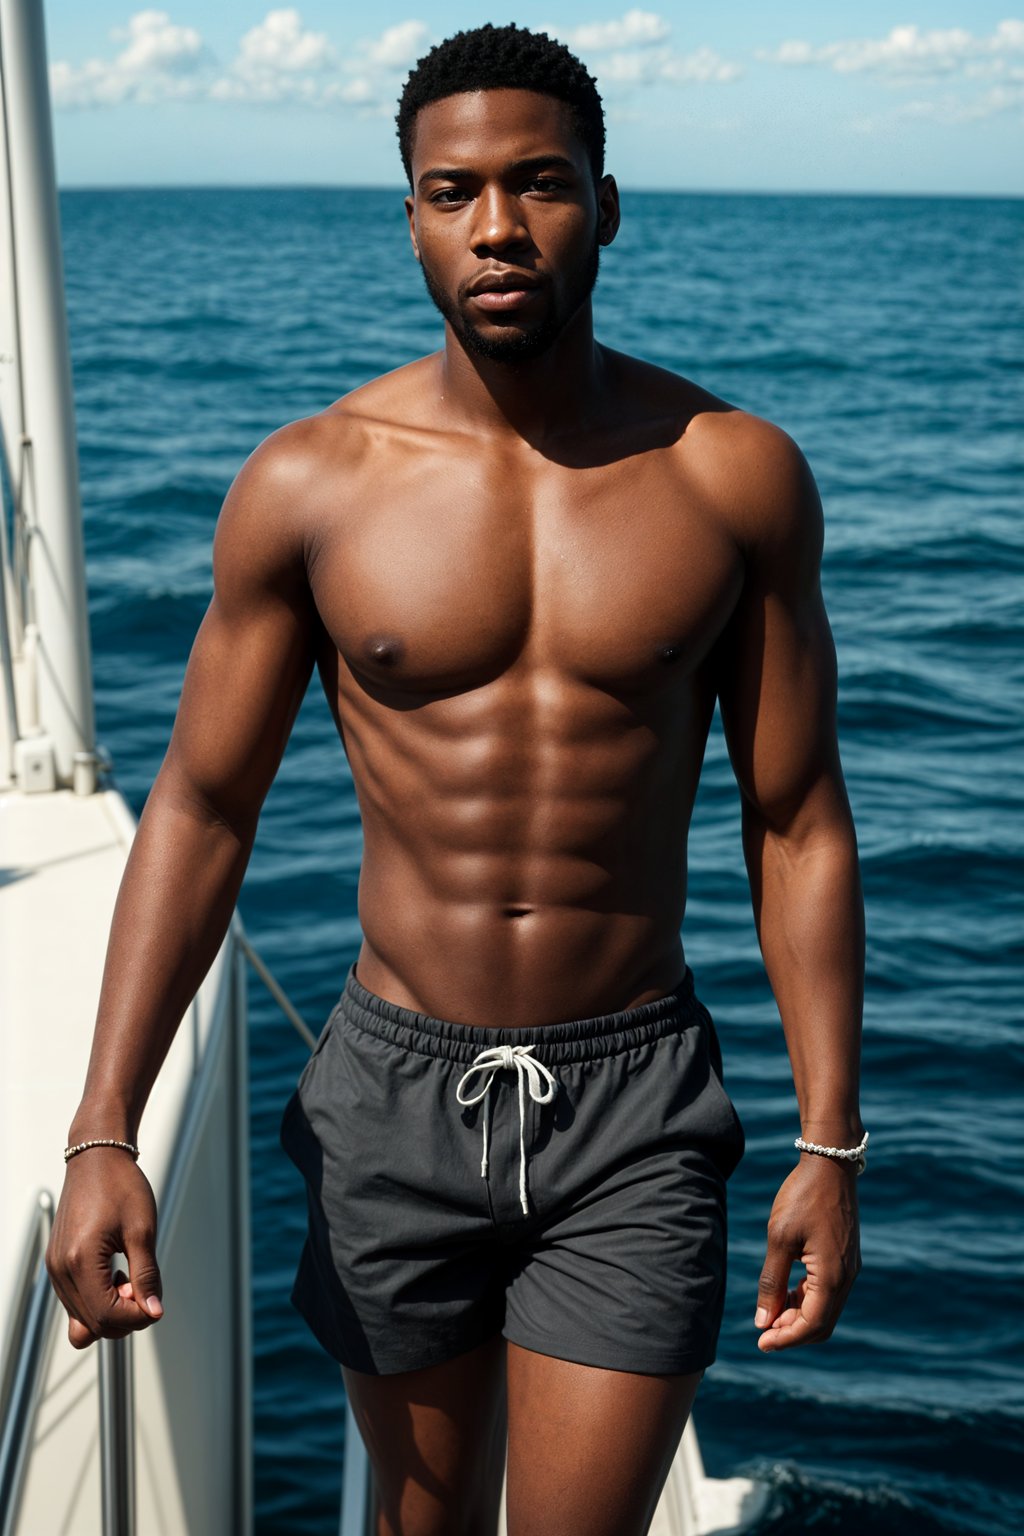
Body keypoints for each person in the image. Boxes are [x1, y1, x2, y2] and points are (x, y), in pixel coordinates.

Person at [46, 22, 866, 1536]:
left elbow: (797, 818)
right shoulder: (313, 484)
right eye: (455, 191)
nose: (500, 226)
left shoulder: (732, 474)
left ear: (606, 205)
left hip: (634, 1103)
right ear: (412, 215)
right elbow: (204, 810)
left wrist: (831, 1141)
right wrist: (106, 1127)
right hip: (393, 1093)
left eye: (541, 183)